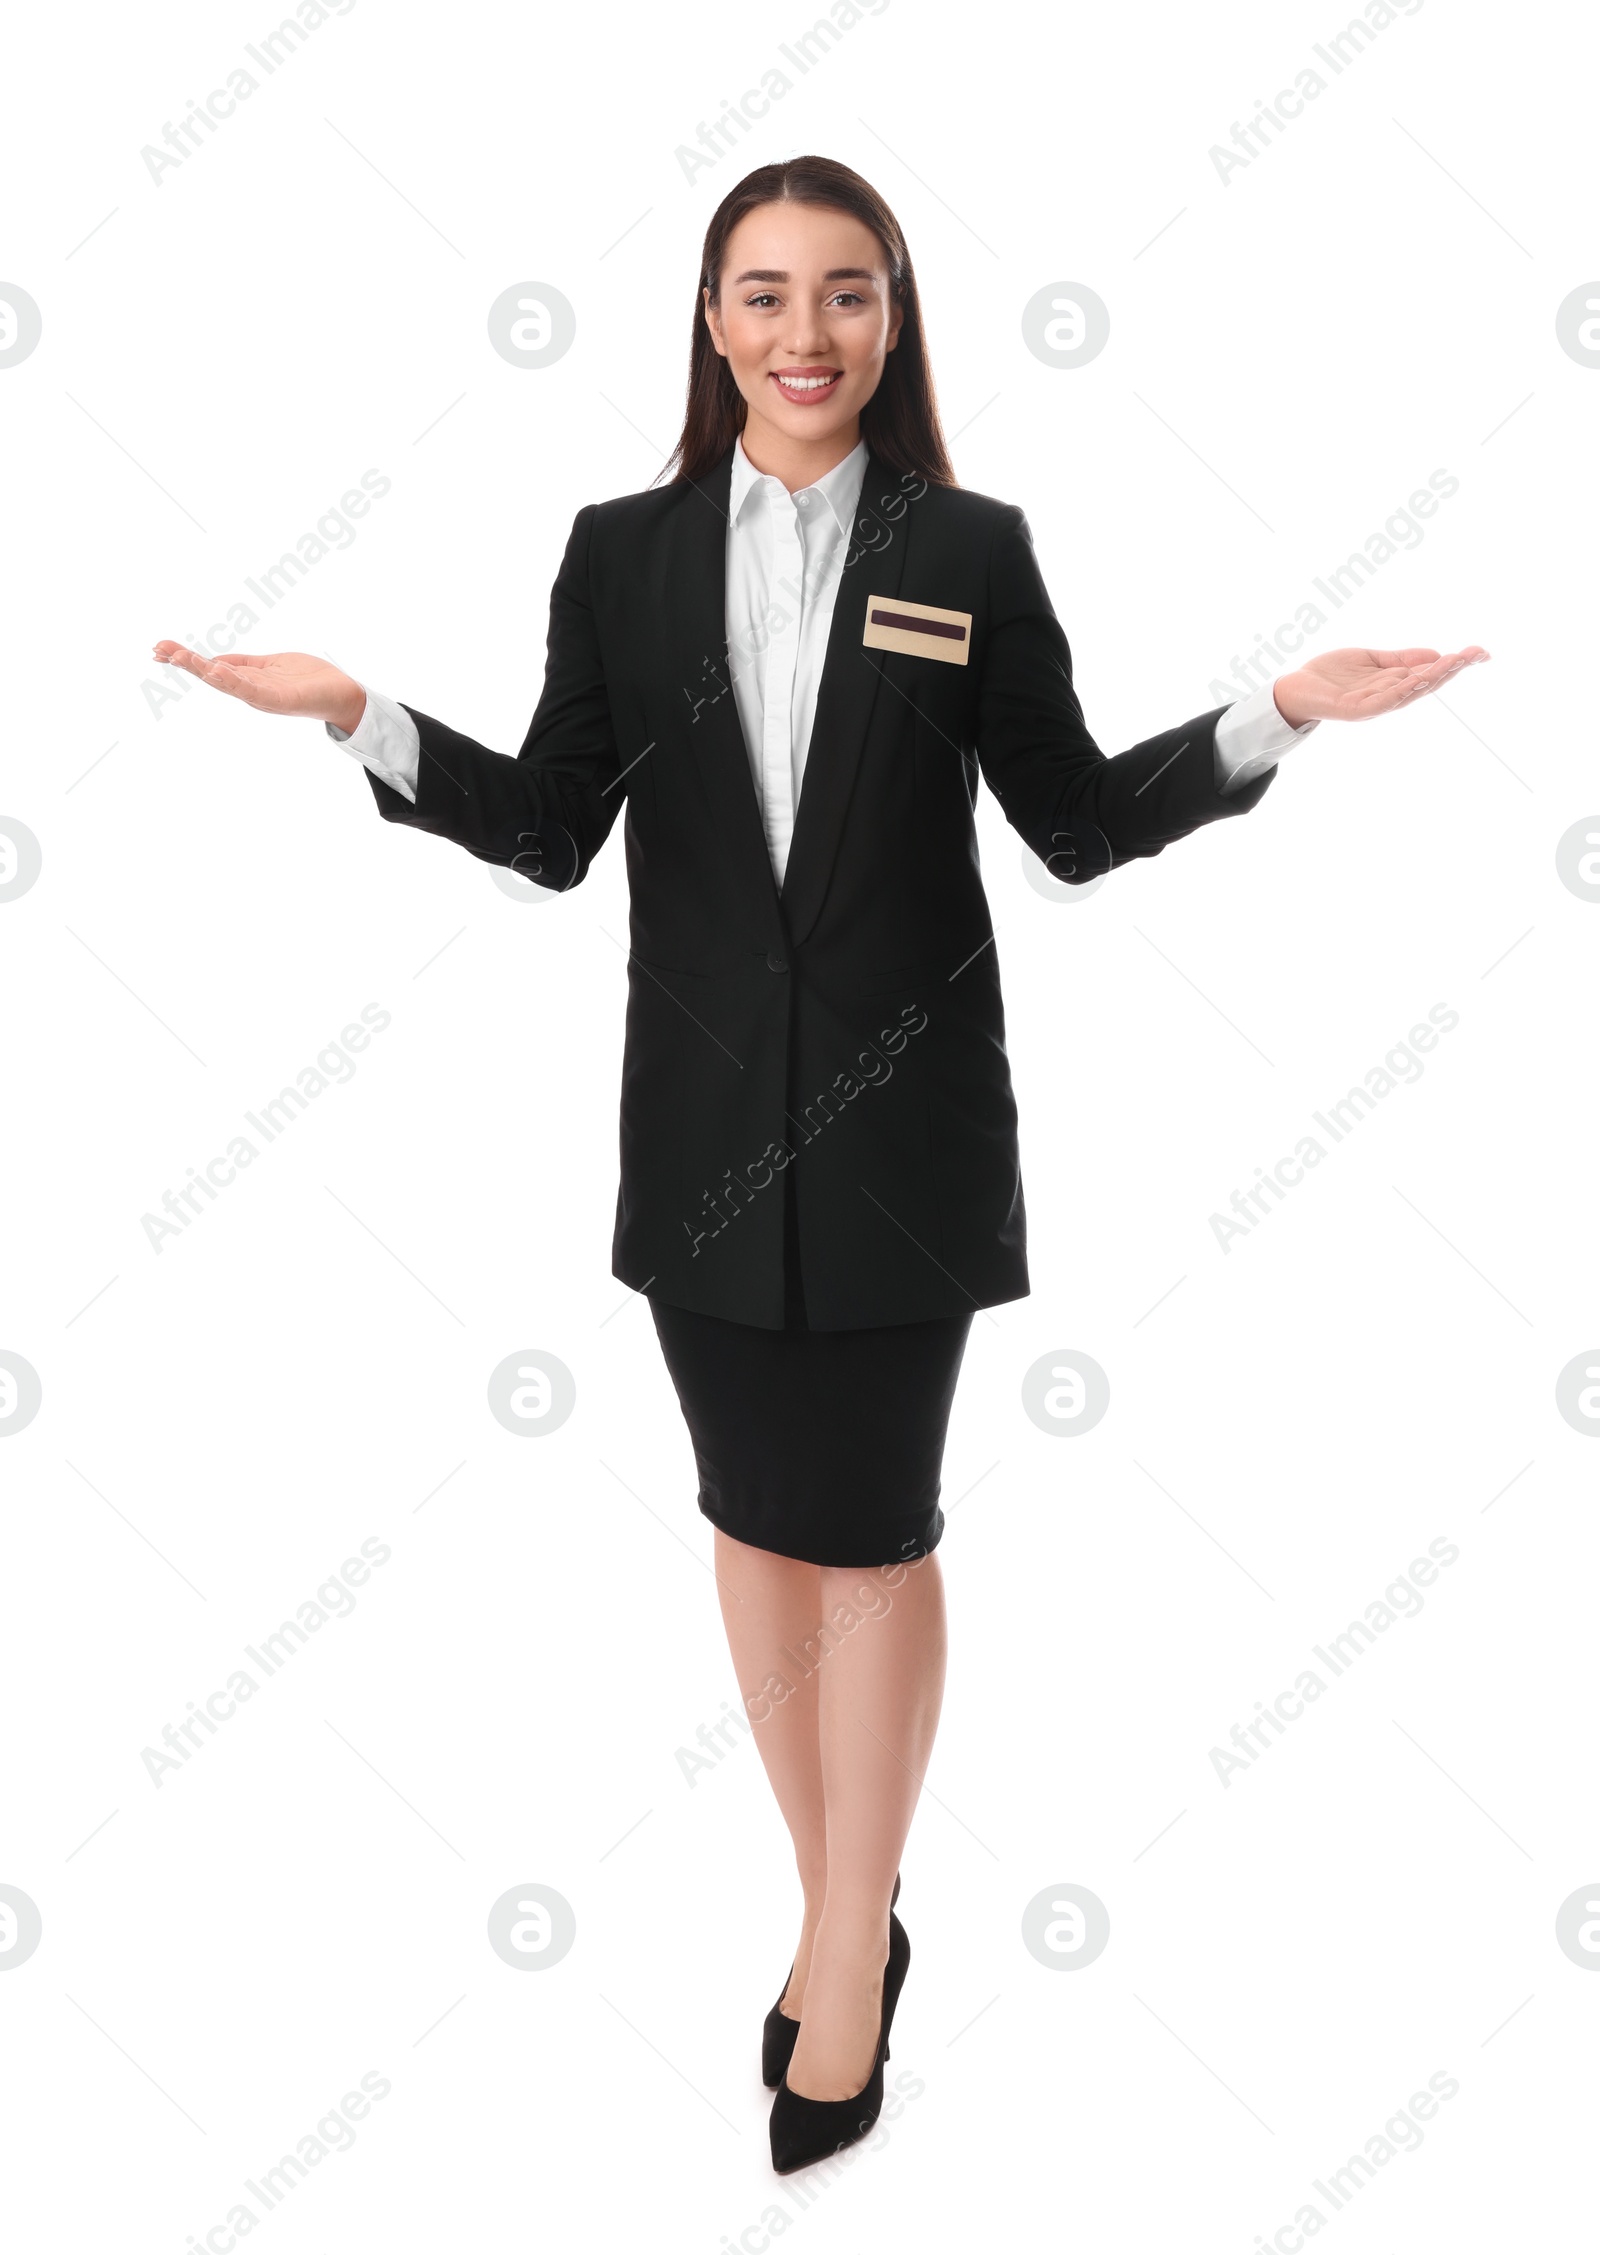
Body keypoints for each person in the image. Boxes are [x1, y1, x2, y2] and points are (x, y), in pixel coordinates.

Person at [154, 154, 1487, 2174]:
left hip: (901, 1136)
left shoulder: (966, 541)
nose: (804, 334)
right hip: (695, 1143)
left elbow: (1072, 819)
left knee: (867, 1538)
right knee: (756, 1527)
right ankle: (837, 1902)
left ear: (893, 316)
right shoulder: (617, 551)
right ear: (709, 321)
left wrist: (1271, 716)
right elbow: (545, 827)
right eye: (763, 295)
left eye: (844, 294)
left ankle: (846, 1951)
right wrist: (360, 718)